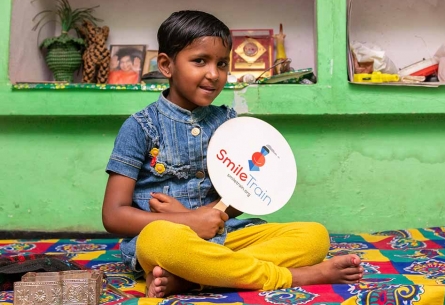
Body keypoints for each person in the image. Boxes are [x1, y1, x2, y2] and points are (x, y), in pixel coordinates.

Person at [102, 10, 364, 298]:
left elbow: (240, 194)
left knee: (314, 236)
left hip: (228, 237)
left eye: (222, 63)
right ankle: (291, 276)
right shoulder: (140, 127)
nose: (214, 74)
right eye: (200, 61)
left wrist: (205, 215)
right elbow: (113, 215)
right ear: (166, 65)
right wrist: (187, 221)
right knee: (158, 240)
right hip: (171, 241)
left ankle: (194, 278)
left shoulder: (229, 122)